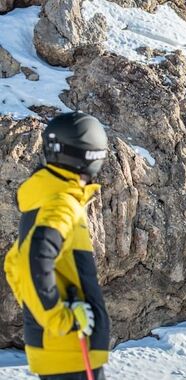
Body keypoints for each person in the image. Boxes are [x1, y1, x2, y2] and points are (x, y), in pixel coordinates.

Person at [4, 112, 110, 379]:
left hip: (60, 351)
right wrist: (59, 318)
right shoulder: (63, 202)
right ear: (92, 155)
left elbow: (15, 263)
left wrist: (39, 310)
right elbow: (34, 257)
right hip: (71, 351)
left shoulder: (46, 198)